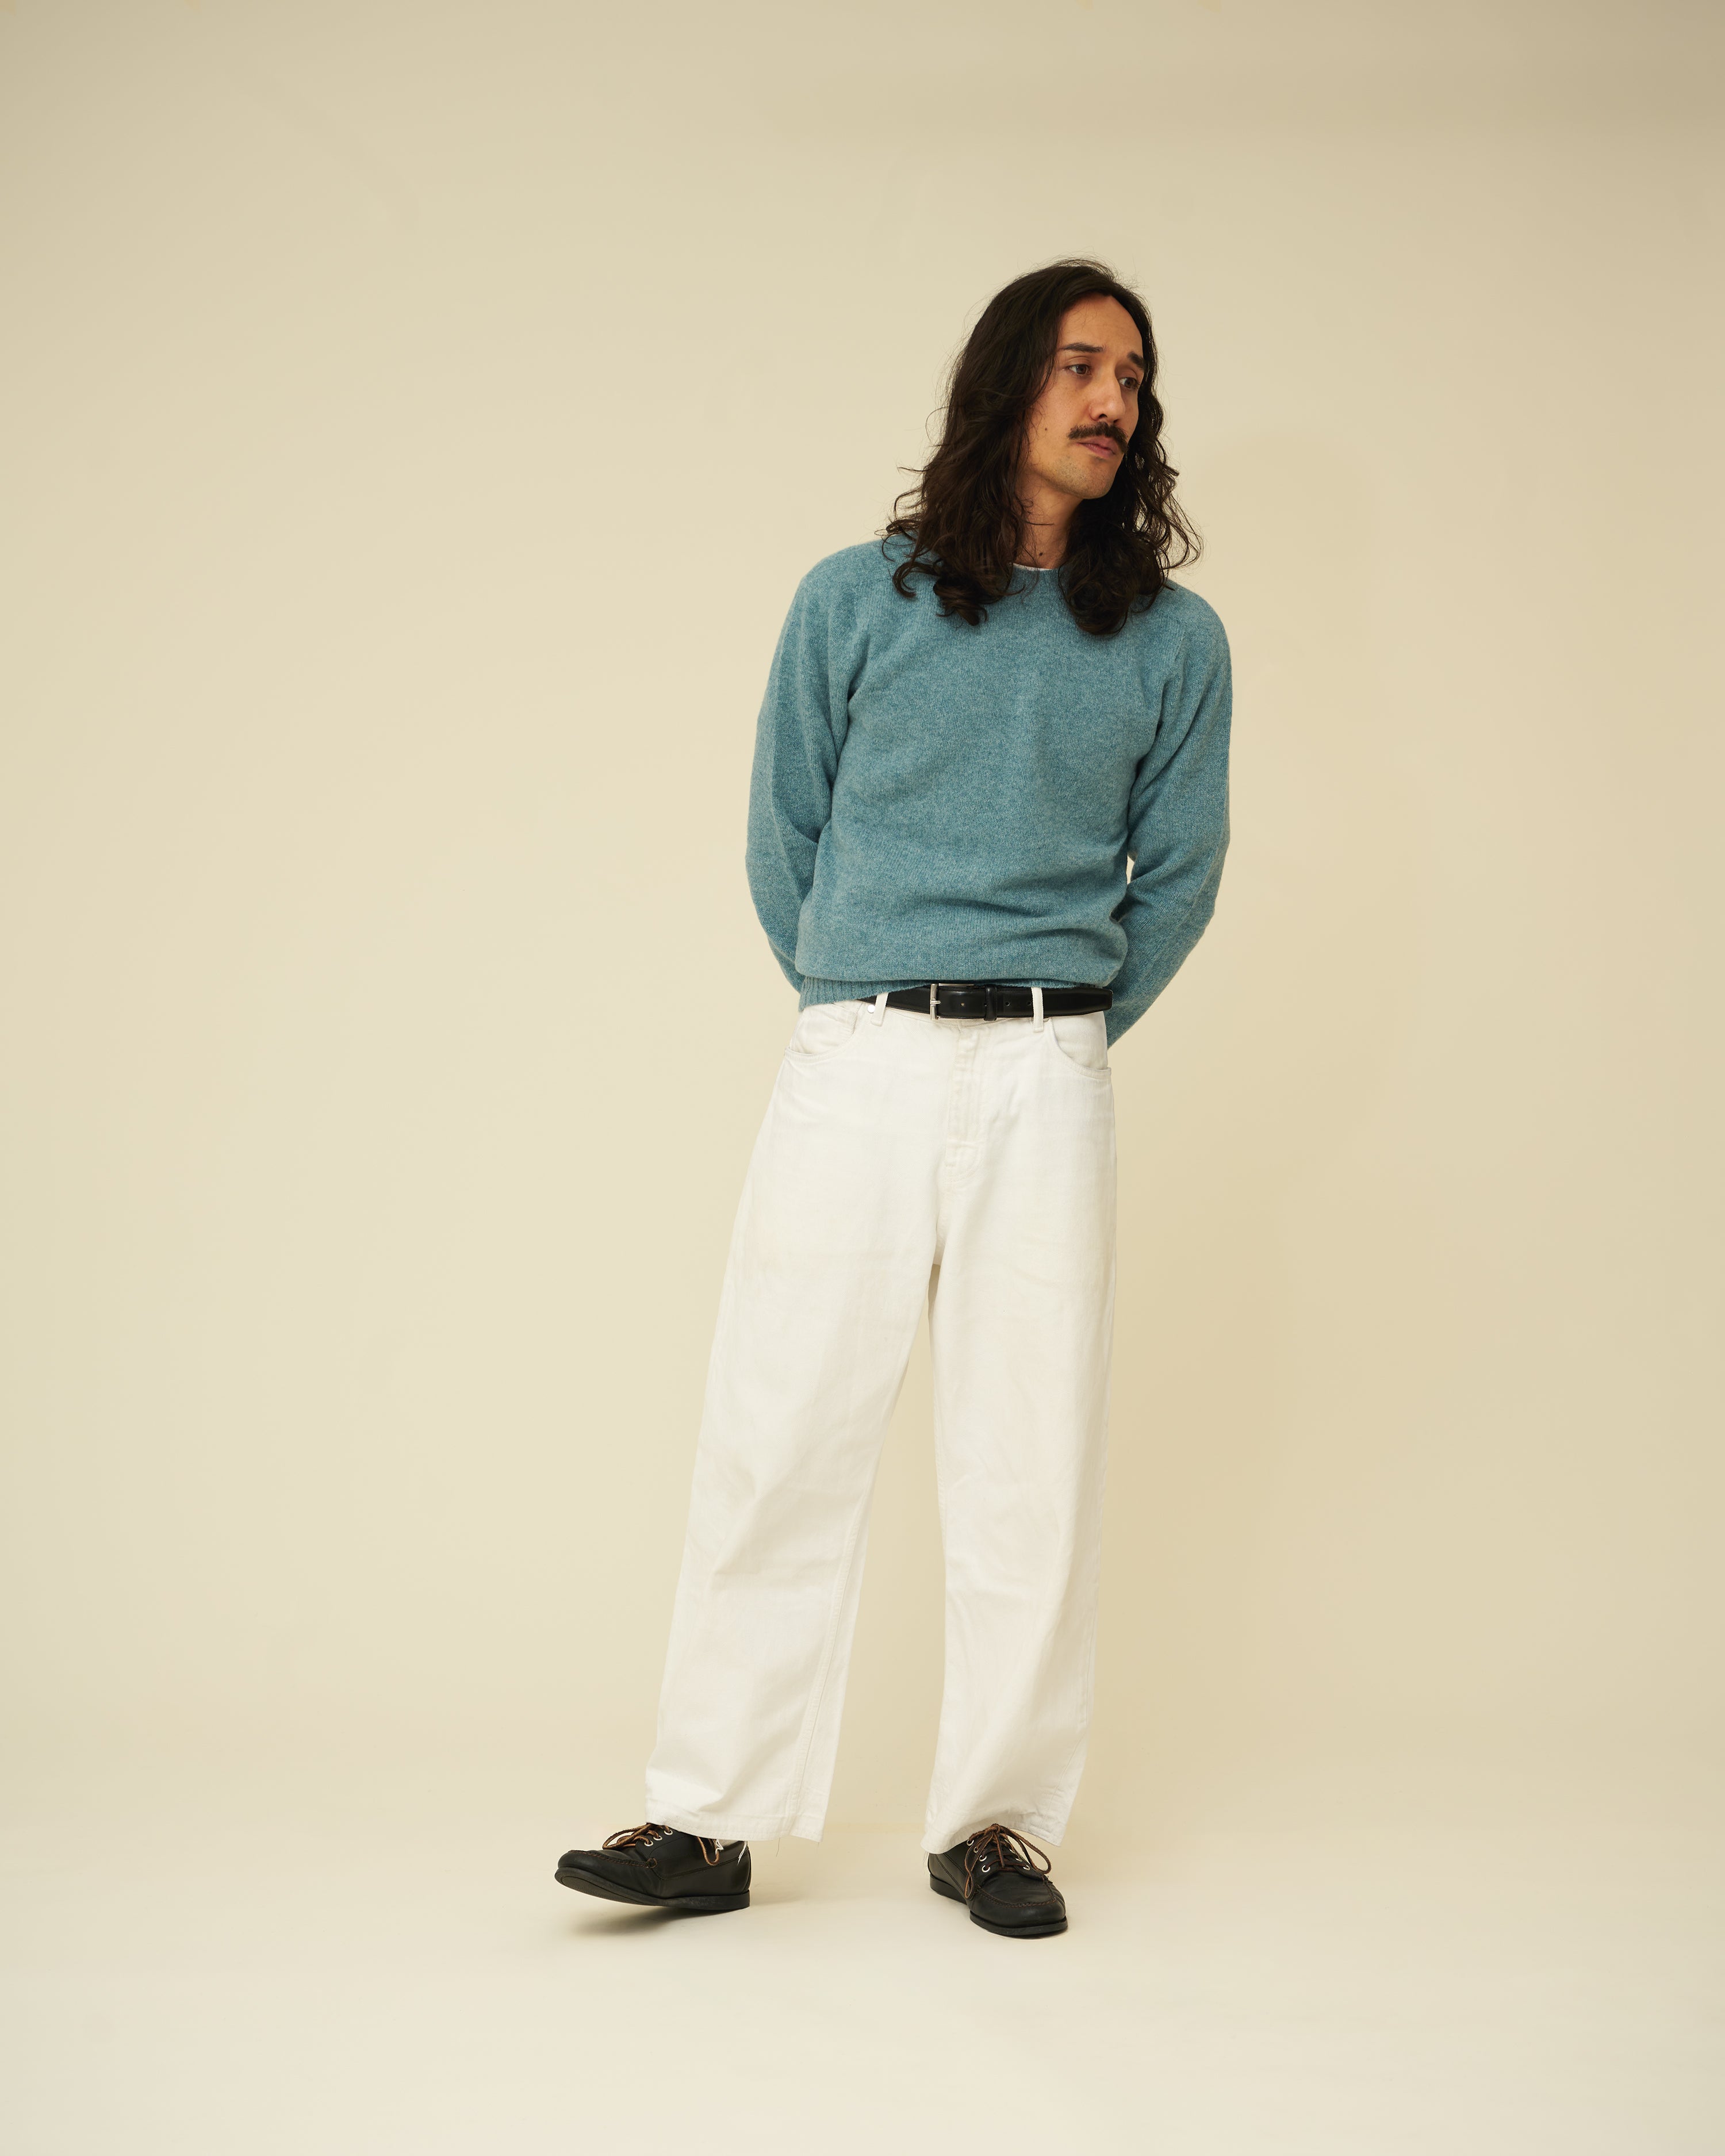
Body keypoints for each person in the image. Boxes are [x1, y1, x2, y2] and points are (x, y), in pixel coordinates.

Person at [555, 259, 1232, 1940]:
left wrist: (1066, 1027)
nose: (1113, 401)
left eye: (1134, 378)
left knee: (1030, 1456)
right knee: (778, 1427)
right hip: (857, 1054)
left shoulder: (1172, 640)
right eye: (1081, 366)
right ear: (1006, 384)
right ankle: (708, 1820)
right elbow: (781, 831)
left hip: (1046, 1070)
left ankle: (996, 1824)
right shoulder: (853, 603)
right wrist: (853, 992)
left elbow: (1182, 874)